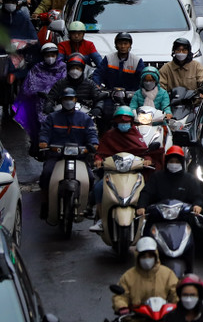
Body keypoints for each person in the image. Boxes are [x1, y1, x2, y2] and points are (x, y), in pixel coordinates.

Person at [37, 87, 98, 220]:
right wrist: (43, 141)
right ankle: (45, 203)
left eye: (70, 99)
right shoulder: (52, 117)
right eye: (65, 99)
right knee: (46, 175)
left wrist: (94, 143)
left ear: (75, 100)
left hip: (80, 157)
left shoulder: (85, 118)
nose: (68, 101)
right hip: (56, 156)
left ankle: (87, 205)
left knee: (91, 177)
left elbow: (92, 133)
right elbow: (45, 132)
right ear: (61, 101)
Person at [14, 42, 64, 150]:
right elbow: (29, 86)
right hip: (40, 104)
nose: (50, 58)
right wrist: (38, 93)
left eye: (52, 55)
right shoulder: (37, 68)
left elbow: (67, 84)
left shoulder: (63, 68)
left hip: (59, 103)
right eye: (47, 55)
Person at [112, 237, 179, 315]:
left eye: (150, 256)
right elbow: (121, 297)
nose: (147, 259)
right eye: (143, 256)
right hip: (135, 318)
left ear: (156, 256)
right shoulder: (128, 277)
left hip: (163, 317)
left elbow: (176, 294)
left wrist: (179, 307)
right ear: (138, 257)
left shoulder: (168, 274)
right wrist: (122, 307)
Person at [137, 146, 202, 218]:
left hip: (182, 218)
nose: (174, 164)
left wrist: (197, 205)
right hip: (158, 217)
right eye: (171, 161)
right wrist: (141, 206)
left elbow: (198, 196)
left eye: (177, 162)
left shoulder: (190, 179)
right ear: (166, 162)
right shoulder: (157, 177)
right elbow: (146, 193)